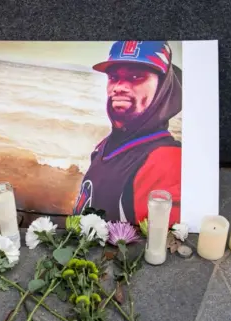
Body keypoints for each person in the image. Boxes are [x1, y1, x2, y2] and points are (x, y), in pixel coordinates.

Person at [73, 41, 182, 224]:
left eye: (135, 77)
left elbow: (155, 244)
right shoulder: (109, 142)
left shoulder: (166, 161)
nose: (119, 87)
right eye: (113, 77)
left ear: (163, 87)